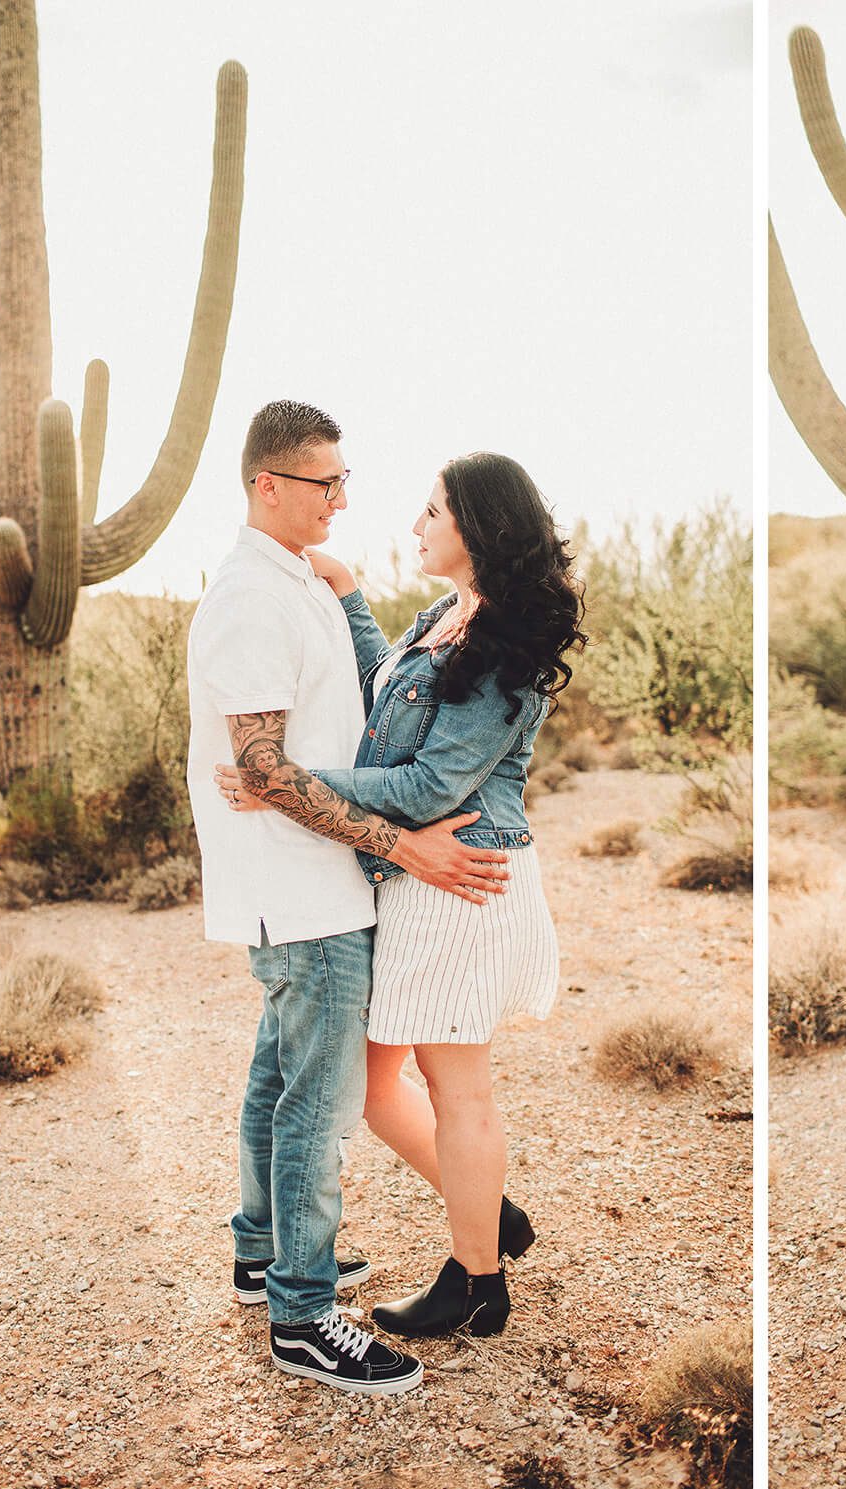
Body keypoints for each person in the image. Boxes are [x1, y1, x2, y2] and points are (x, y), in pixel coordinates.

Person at [218, 450, 583, 1340]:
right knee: (380, 1085)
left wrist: (288, 779)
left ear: (478, 530)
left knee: (454, 1087)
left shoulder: (505, 652)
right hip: (420, 875)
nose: (415, 525)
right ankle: (488, 1215)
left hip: (462, 873)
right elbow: (392, 695)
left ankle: (479, 1279)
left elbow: (424, 784)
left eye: (431, 512)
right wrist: (348, 599)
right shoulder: (451, 616)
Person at [186, 400, 511, 1396]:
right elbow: (265, 767)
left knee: (277, 1080)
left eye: (344, 479)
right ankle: (303, 1311)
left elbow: (314, 738)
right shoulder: (251, 595)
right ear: (265, 486)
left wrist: (348, 595)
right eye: (321, 482)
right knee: (315, 1108)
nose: (341, 497)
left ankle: (259, 1255)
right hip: (304, 890)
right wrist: (396, 843)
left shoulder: (295, 585)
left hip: (309, 882)